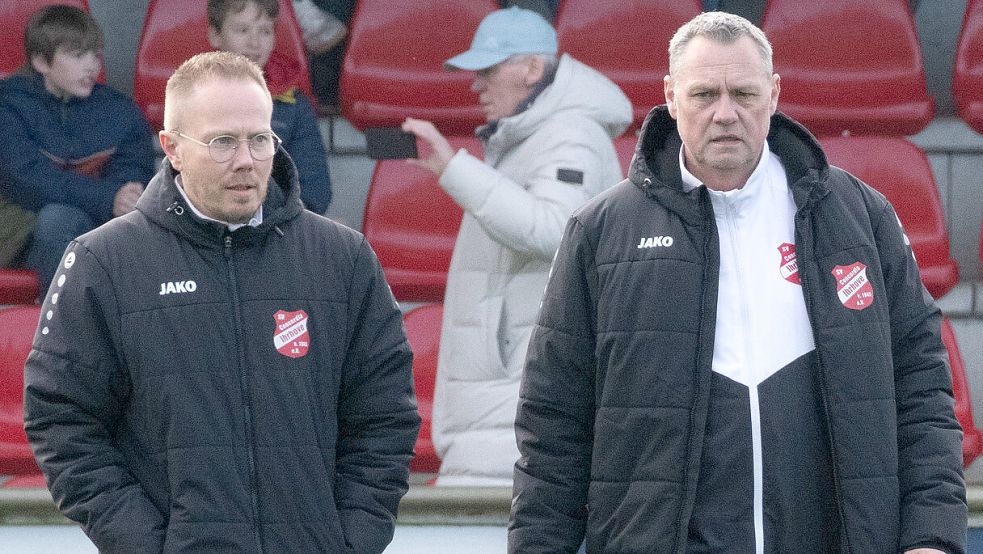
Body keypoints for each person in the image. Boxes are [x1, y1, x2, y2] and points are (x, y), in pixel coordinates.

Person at [509, 11, 966, 554]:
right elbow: (553, 425)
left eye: (743, 94)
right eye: (705, 95)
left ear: (773, 95)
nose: (725, 114)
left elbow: (921, 391)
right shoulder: (600, 233)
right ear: (671, 97)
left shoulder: (859, 217)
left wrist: (931, 537)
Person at [24, 51, 419, 553]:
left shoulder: (342, 258)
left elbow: (384, 414)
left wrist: (352, 537)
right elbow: (61, 419)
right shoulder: (104, 262)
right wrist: (145, 543)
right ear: (172, 148)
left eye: (259, 139)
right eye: (222, 142)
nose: (245, 160)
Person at [401, 6, 631, 486]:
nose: (475, 85)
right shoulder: (533, 137)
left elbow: (554, 230)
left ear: (531, 69)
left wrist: (454, 169)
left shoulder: (571, 136)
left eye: (488, 70)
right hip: (503, 414)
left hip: (517, 417)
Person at [0, 5, 154, 291]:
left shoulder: (119, 111)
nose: (91, 66)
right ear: (42, 62)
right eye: (77, 55)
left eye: (95, 54)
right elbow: (26, 179)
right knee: (58, 220)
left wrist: (124, 196)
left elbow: (133, 174)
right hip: (17, 234)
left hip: (93, 228)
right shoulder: (9, 105)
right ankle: (66, 330)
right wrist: (109, 196)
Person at [208, 0, 332, 214]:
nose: (254, 42)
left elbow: (315, 192)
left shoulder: (294, 107)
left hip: (277, 230)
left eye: (265, 31)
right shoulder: (193, 101)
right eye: (242, 30)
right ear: (215, 36)